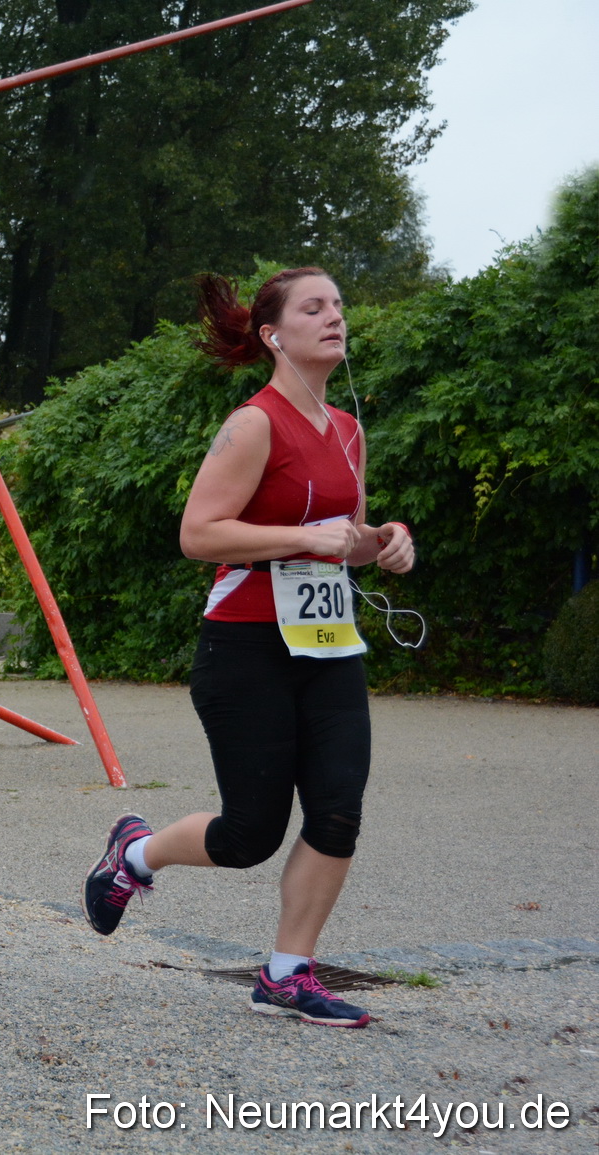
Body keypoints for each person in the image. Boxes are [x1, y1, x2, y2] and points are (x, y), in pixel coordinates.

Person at [80, 268, 416, 1029]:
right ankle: (134, 853)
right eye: (314, 307)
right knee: (249, 836)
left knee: (338, 810)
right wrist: (304, 537)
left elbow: (346, 541)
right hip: (245, 647)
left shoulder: (348, 429)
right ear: (273, 335)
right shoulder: (254, 424)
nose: (334, 317)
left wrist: (388, 541)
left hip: (328, 646)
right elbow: (199, 533)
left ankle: (287, 973)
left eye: (338, 306)